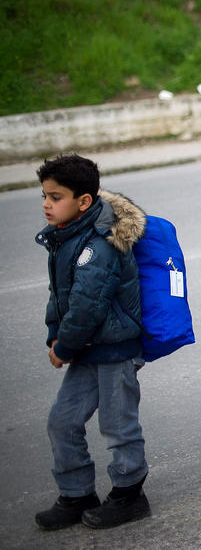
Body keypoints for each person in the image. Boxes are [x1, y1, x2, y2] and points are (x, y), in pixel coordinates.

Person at [33, 154, 151, 531]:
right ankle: (76, 494)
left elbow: (87, 306)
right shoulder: (68, 235)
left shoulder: (99, 244)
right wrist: (57, 335)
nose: (46, 204)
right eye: (44, 196)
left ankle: (130, 495)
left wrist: (63, 347)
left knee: (119, 427)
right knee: (62, 422)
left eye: (55, 196)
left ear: (84, 201)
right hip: (88, 347)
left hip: (115, 349)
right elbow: (61, 295)